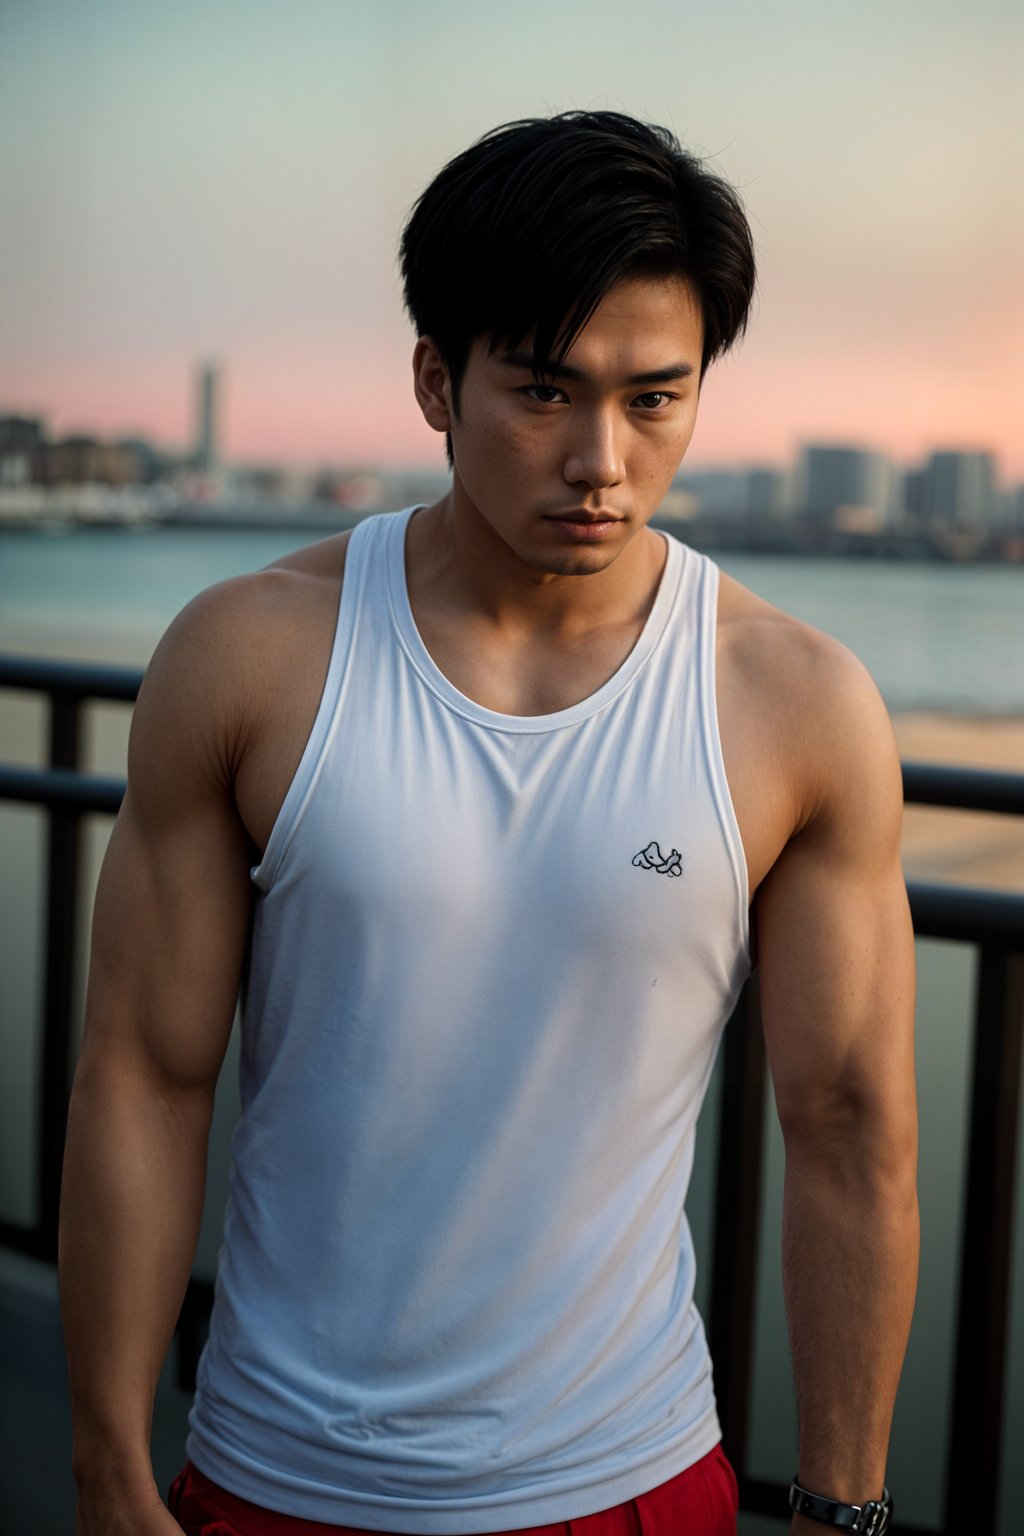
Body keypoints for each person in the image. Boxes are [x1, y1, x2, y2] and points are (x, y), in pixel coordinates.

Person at [59, 111, 918, 1536]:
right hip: (279, 1474)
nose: (602, 458)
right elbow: (144, 1075)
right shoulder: (252, 659)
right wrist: (106, 1467)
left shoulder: (795, 706)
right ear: (434, 380)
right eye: (544, 392)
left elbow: (848, 1131)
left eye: (656, 399)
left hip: (630, 1479)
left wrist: (846, 1511)